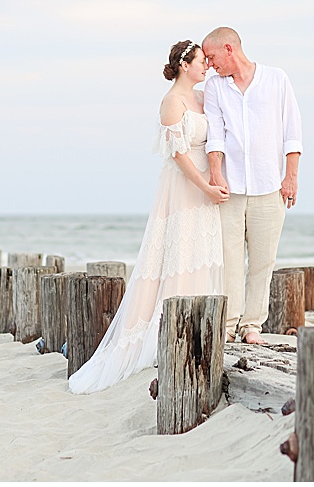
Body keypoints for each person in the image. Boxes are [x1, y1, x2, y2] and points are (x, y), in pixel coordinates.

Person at [68, 40, 229, 394]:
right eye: (202, 61)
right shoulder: (172, 103)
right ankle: (165, 332)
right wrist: (205, 186)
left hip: (207, 185)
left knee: (201, 254)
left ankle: (199, 327)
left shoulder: (204, 98)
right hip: (186, 187)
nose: (207, 66)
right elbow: (180, 155)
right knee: (176, 256)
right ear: (185, 65)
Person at [202, 27, 303, 345]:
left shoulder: (276, 79)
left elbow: (292, 132)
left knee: (262, 261)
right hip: (230, 190)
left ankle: (252, 325)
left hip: (269, 185)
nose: (208, 64)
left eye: (211, 56)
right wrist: (216, 173)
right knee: (229, 261)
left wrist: (291, 177)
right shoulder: (214, 87)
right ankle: (229, 325)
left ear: (228, 49)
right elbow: (215, 134)